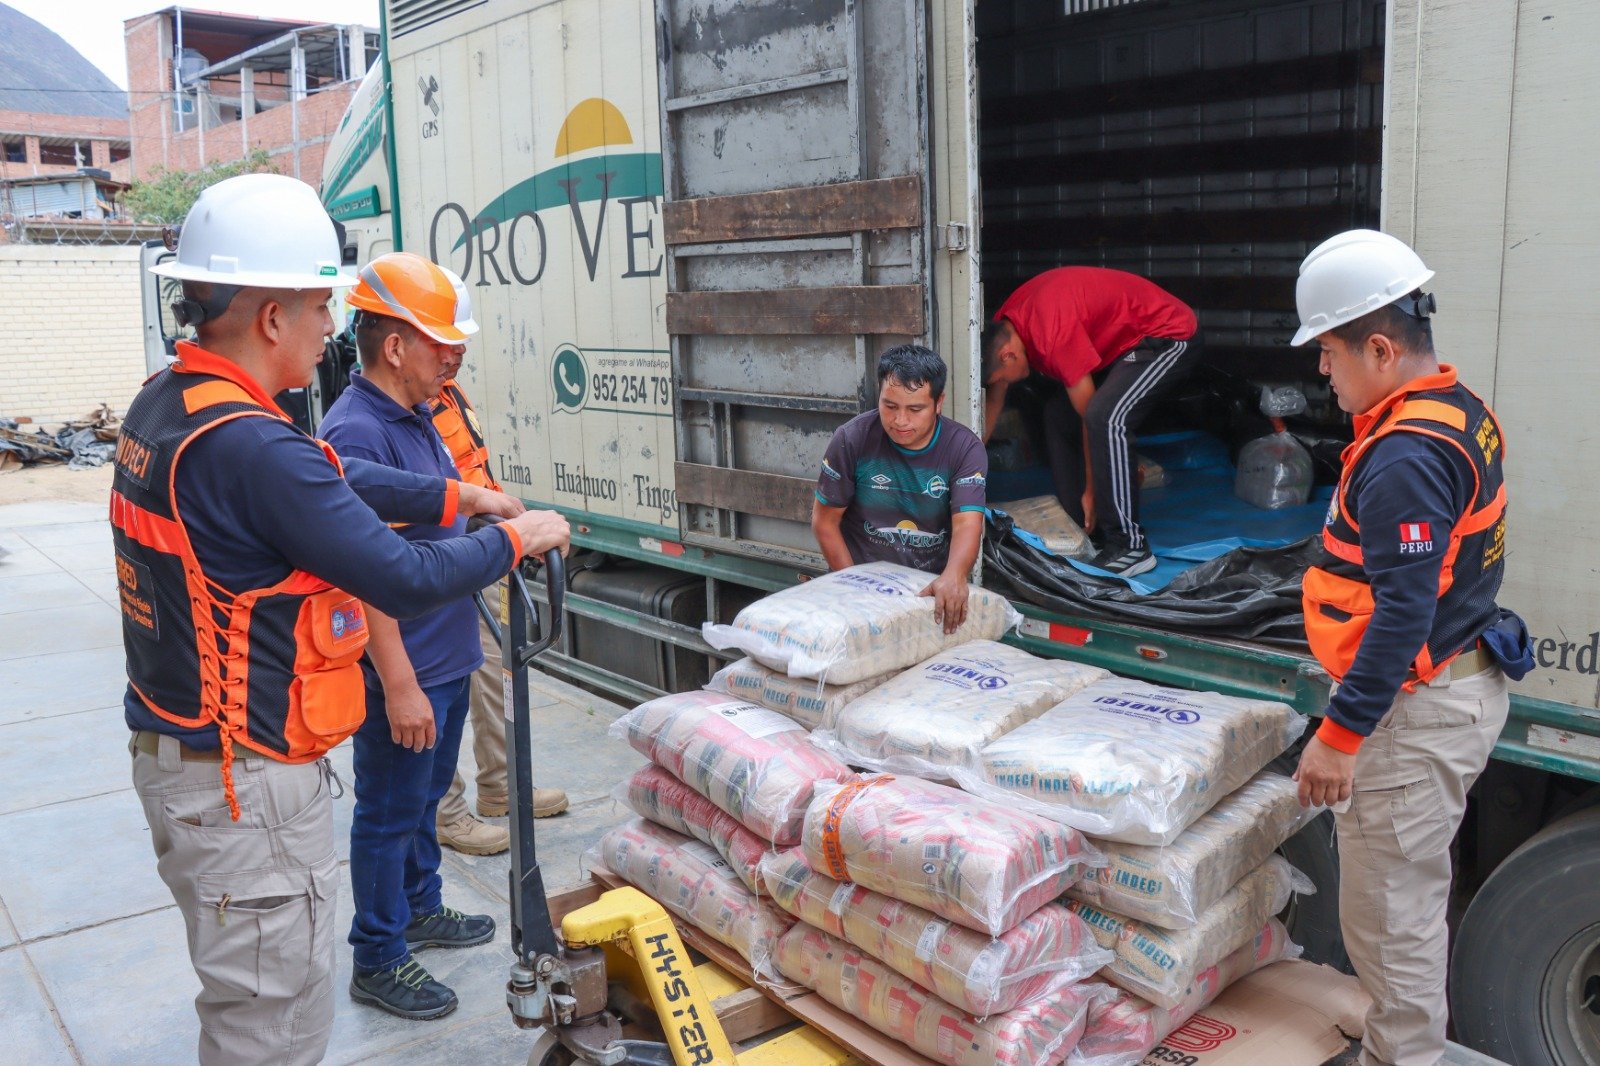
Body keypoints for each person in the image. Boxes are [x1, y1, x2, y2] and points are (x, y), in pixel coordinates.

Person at [118, 174, 570, 1065]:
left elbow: (329, 477)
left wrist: (458, 494)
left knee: (254, 1006)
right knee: (270, 1030)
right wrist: (513, 539)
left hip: (186, 758)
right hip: (236, 784)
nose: (334, 326)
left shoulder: (174, 404)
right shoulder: (248, 442)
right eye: (321, 306)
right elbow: (396, 574)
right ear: (272, 316)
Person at [1289, 229, 1528, 1066]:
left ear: (1380, 347)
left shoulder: (1404, 457)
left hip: (1413, 714)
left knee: (1390, 924)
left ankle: (1404, 1058)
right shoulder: (1458, 408)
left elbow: (1401, 615)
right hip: (1457, 684)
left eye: (1328, 352)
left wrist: (1340, 734)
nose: (1324, 372)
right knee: (1409, 905)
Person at [316, 252, 556, 1020]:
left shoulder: (419, 414)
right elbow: (364, 571)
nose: (456, 354)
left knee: (423, 802)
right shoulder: (354, 430)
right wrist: (400, 681)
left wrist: (484, 506)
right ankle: (379, 953)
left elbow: (439, 511)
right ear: (394, 345)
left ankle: (420, 906)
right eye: (442, 341)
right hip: (405, 662)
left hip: (445, 649)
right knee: (387, 811)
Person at [429, 271, 569, 858]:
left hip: (481, 554)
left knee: (495, 672)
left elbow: (474, 474)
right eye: (446, 341)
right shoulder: (394, 417)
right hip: (443, 563)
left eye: (461, 341)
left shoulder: (448, 398)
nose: (458, 352)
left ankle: (501, 786)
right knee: (438, 689)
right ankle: (446, 810)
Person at [981, 267, 1202, 577]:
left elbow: (1090, 417)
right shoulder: (1005, 327)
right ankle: (1085, 527)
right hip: (1121, 346)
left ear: (1007, 356)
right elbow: (995, 398)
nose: (1006, 384)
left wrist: (1092, 489)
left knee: (1106, 417)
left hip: (1166, 335)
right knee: (1057, 414)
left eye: (1003, 377)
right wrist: (967, 472)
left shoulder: (1052, 334)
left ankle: (1129, 545)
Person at [811, 344, 987, 634]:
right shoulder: (852, 439)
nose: (900, 420)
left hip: (926, 591)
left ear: (938, 402)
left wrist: (954, 575)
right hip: (857, 587)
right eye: (889, 406)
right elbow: (824, 522)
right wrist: (854, 588)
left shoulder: (964, 448)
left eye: (915, 409)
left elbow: (968, 522)